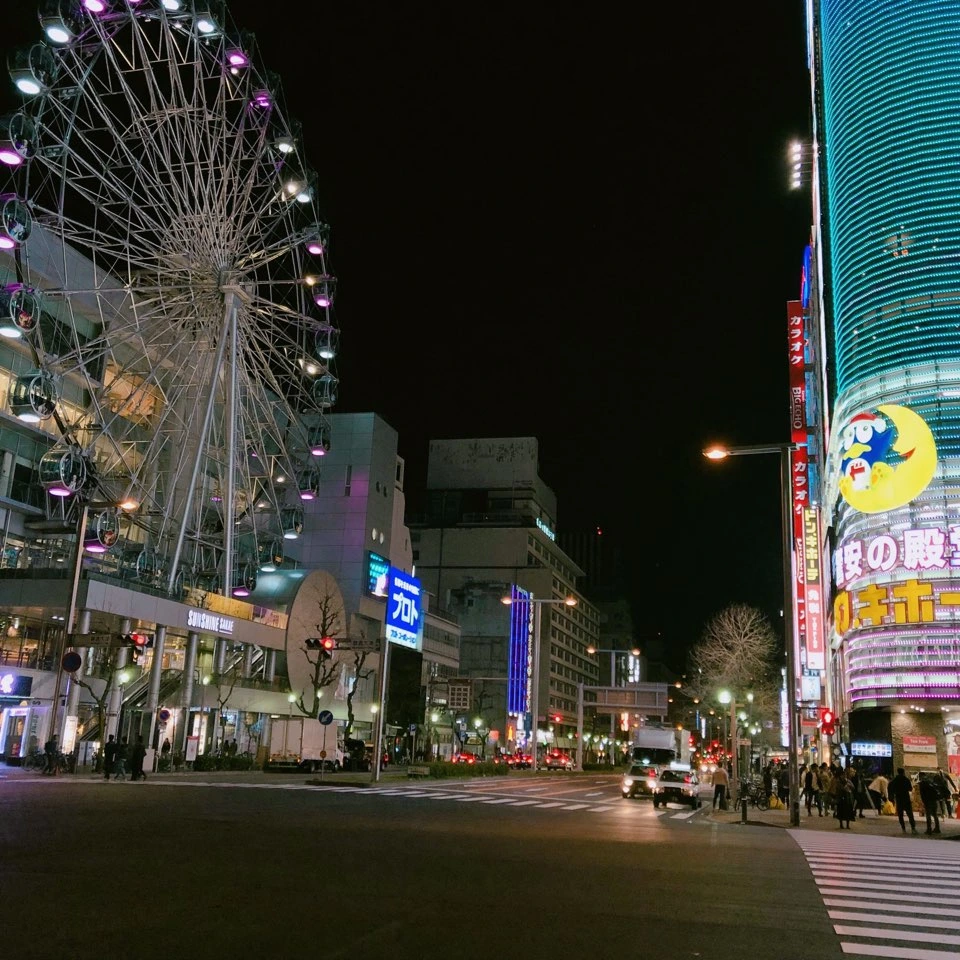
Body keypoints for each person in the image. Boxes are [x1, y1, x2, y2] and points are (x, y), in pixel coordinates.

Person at [889, 767, 918, 835]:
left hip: (899, 799)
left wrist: (892, 796)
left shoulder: (895, 780)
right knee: (910, 815)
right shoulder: (906, 779)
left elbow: (891, 788)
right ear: (903, 772)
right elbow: (910, 789)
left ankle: (903, 829)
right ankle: (913, 829)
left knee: (900, 815)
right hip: (906, 798)